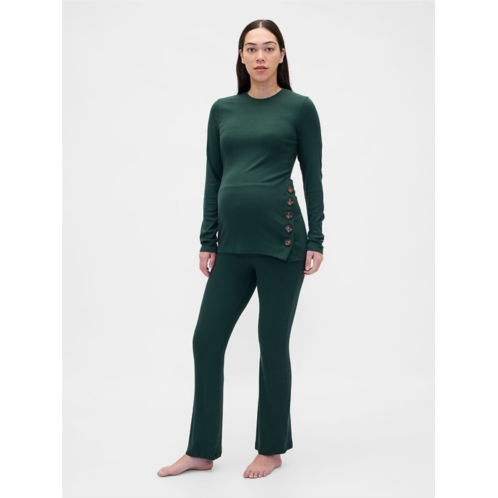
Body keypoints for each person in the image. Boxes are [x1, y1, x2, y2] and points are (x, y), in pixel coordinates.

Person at [157, 19, 325, 480]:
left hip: (283, 243)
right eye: (251, 48)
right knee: (206, 340)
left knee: (272, 342)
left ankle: (271, 449)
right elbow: (214, 175)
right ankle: (201, 450)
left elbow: (312, 175)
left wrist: (316, 238)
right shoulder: (223, 110)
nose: (260, 56)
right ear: (241, 56)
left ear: (282, 55)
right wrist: (206, 238)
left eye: (269, 48)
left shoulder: (299, 108)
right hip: (231, 245)